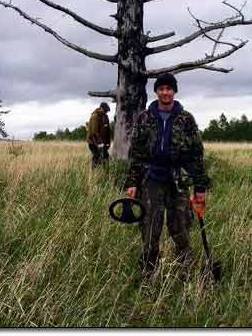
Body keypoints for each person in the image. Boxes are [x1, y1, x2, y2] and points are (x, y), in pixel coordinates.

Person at [124, 73, 209, 276]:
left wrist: (199, 187)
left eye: (169, 89)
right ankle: (148, 274)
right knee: (150, 229)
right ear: (156, 92)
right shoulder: (145, 117)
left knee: (180, 228)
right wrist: (132, 182)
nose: (165, 92)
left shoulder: (186, 119)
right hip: (151, 180)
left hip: (178, 181)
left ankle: (185, 273)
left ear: (174, 91)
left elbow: (197, 153)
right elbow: (136, 152)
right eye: (161, 89)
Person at [86, 102, 111, 168]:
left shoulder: (105, 117)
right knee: (97, 156)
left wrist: (108, 143)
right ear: (100, 108)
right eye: (105, 110)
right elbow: (94, 132)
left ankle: (105, 173)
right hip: (93, 141)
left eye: (107, 111)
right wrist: (100, 143)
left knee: (106, 157)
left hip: (102, 142)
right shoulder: (95, 116)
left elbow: (108, 130)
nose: (106, 112)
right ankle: (93, 174)